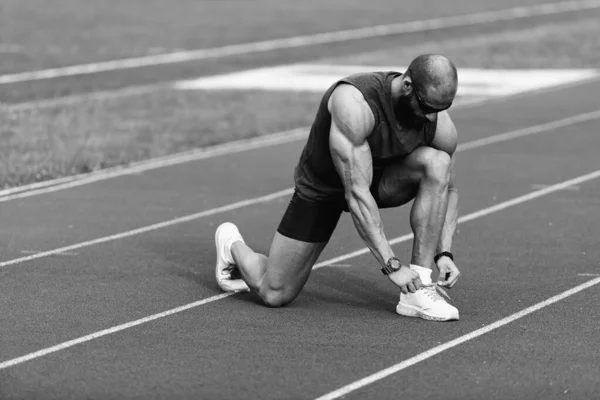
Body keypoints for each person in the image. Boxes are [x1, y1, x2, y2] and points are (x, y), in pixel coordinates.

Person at [214, 54, 461, 321]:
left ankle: (419, 290)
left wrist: (444, 253)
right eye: (426, 107)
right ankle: (231, 246)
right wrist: (392, 265)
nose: (431, 116)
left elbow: (447, 188)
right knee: (274, 293)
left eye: (441, 107)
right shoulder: (355, 103)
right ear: (408, 86)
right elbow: (356, 194)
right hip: (324, 188)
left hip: (383, 181)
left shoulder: (438, 121)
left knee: (438, 163)